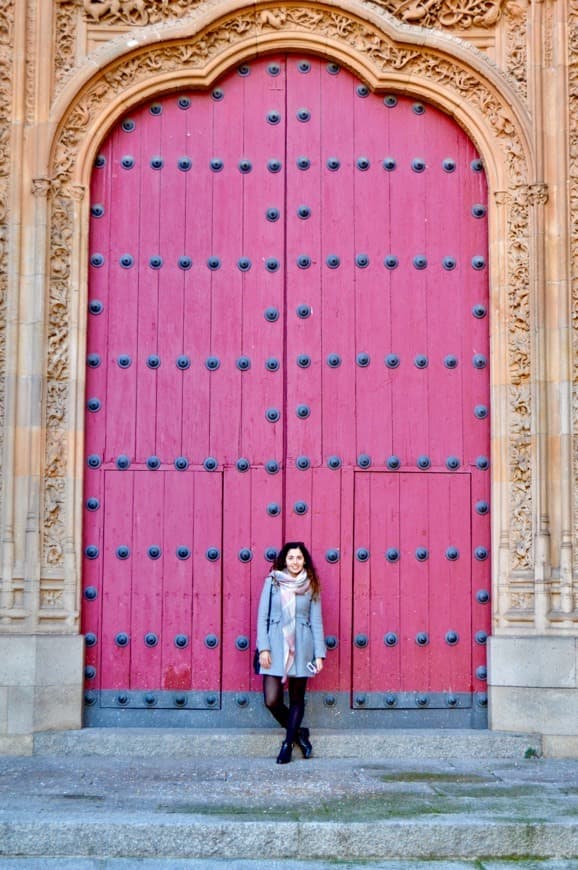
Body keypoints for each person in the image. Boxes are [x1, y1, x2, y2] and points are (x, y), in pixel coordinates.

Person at [256, 541, 326, 764]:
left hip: (302, 646)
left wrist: (319, 654)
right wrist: (263, 648)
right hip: (275, 645)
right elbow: (262, 617)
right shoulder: (273, 581)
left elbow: (316, 622)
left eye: (298, 558)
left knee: (297, 698)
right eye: (290, 558)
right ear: (284, 561)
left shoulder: (311, 585)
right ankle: (299, 733)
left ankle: (287, 744)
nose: (295, 562)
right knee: (272, 700)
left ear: (304, 560)